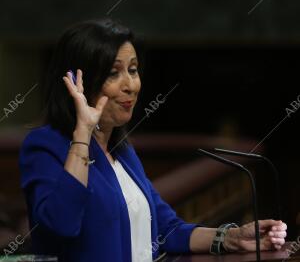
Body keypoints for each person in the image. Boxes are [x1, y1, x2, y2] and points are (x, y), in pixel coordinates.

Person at [19, 18, 287, 262]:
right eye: (114, 73)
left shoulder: (120, 149)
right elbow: (61, 226)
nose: (130, 85)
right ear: (77, 83)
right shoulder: (45, 146)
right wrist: (82, 132)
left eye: (133, 70)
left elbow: (165, 229)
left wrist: (231, 238)